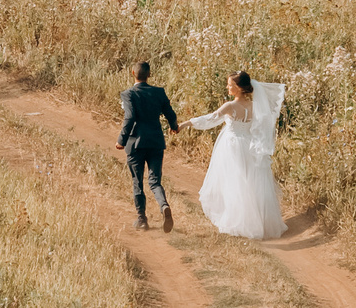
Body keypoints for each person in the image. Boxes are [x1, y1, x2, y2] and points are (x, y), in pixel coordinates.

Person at [186, 69, 286, 240]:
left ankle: (239, 222)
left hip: (232, 146)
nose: (227, 87)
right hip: (249, 146)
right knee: (249, 183)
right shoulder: (255, 106)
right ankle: (257, 222)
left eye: (230, 85)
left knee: (234, 183)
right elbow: (261, 127)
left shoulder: (230, 106)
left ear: (239, 88)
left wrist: (187, 123)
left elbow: (210, 119)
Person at [117, 59, 180, 232]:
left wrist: (121, 140)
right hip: (155, 142)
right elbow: (170, 113)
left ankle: (142, 220)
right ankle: (164, 205)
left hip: (135, 143)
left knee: (137, 181)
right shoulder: (159, 92)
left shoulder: (128, 94)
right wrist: (174, 126)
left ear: (133, 73)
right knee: (154, 181)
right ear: (149, 75)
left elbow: (130, 117)